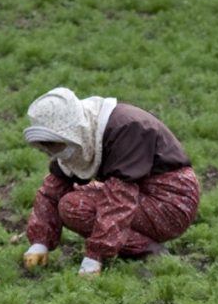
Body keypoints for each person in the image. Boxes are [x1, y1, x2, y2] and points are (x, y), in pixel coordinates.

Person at [21, 87, 199, 278]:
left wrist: (95, 255)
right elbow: (52, 188)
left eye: (56, 144)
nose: (54, 153)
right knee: (74, 200)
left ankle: (147, 250)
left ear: (72, 132)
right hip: (143, 193)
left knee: (75, 206)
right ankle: (139, 243)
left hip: (170, 200)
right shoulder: (87, 132)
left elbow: (119, 198)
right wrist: (40, 242)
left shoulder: (127, 129)